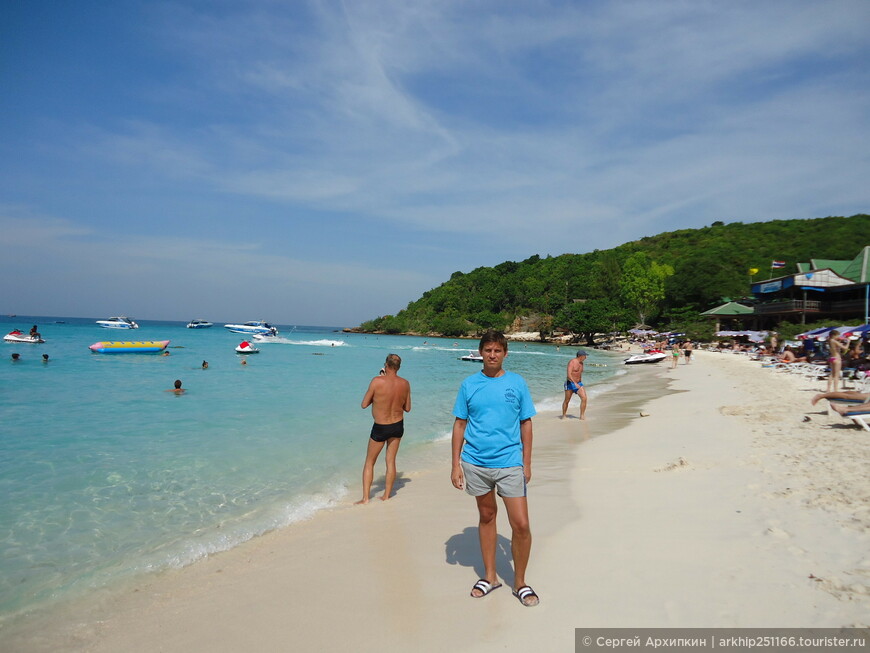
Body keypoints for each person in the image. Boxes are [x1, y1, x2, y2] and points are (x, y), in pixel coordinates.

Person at [451, 330, 539, 607]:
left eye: (497, 351)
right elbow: (460, 425)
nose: (492, 355)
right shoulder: (469, 384)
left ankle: (520, 582)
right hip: (475, 462)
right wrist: (455, 465)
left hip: (510, 462)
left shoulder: (517, 383)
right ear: (480, 352)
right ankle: (490, 577)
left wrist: (526, 462)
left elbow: (526, 422)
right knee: (487, 516)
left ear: (505, 353)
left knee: (521, 524)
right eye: (487, 350)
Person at [356, 353, 411, 504]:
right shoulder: (405, 383)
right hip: (398, 425)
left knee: (369, 462)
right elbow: (408, 408)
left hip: (381, 427)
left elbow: (364, 404)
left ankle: (366, 498)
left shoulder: (376, 381)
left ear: (386, 365)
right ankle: (387, 495)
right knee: (390, 461)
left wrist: (379, 387)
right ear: (398, 368)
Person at [561, 350, 588, 420]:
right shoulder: (572, 362)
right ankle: (564, 415)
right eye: (585, 356)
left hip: (579, 383)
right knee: (567, 400)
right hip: (570, 383)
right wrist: (574, 383)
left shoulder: (581, 363)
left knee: (584, 398)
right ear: (580, 356)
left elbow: (579, 374)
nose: (586, 357)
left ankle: (582, 416)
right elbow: (569, 375)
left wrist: (578, 383)